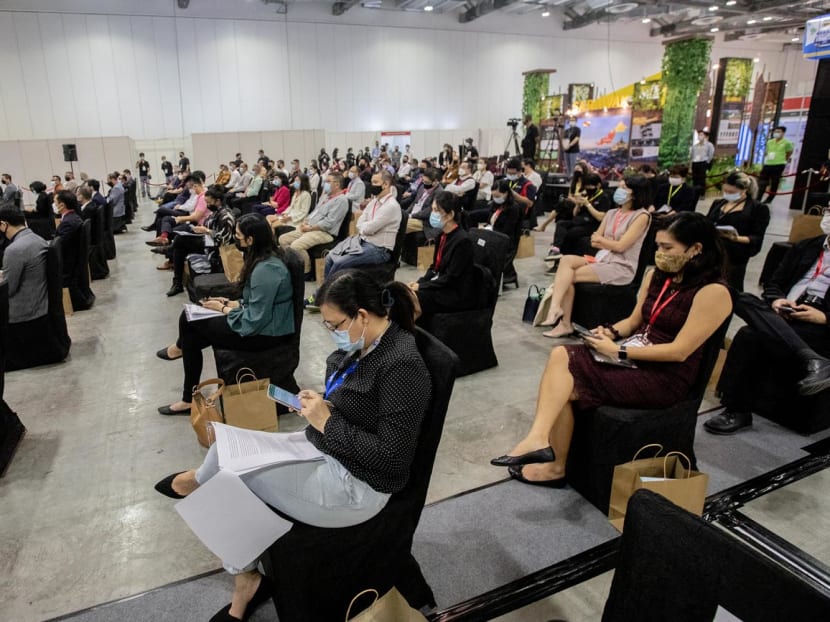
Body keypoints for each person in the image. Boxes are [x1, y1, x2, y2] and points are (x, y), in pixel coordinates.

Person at [153, 270, 429, 622]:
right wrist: (321, 406)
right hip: (328, 450)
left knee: (232, 478)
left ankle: (245, 582)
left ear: (361, 314)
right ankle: (199, 479)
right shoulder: (367, 345)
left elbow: (392, 460)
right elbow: (362, 407)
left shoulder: (401, 363)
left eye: (334, 325)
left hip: (358, 486)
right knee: (226, 446)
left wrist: (327, 421)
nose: (332, 333)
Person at [491, 212, 732, 486]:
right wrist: (611, 332)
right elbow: (633, 321)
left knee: (566, 378)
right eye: (657, 246)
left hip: (665, 376)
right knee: (561, 361)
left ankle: (550, 458)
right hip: (635, 356)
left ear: (696, 249)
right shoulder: (659, 276)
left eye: (667, 248)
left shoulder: (713, 292)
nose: (659, 254)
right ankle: (542, 443)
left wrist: (619, 352)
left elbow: (679, 351)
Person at [156, 214, 296, 415]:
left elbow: (254, 320)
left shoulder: (267, 270)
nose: (236, 240)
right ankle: (188, 393)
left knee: (190, 324)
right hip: (263, 323)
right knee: (191, 325)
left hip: (266, 334)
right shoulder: (263, 260)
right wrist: (229, 303)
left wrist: (223, 309)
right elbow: (257, 302)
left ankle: (186, 382)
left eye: (239, 236)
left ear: (251, 239)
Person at [703, 217, 830, 435]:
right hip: (787, 309)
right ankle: (812, 358)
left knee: (750, 335)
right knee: (738, 297)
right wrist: (777, 300)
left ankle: (737, 410)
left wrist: (825, 317)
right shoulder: (807, 246)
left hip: (820, 320)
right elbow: (774, 282)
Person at [539, 176, 652, 338]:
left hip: (621, 266)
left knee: (568, 277)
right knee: (566, 260)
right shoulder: (612, 213)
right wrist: (609, 242)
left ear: (635, 193)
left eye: (624, 188)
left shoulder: (642, 216)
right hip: (602, 258)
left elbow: (621, 247)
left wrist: (606, 241)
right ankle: (555, 309)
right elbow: (594, 239)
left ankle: (564, 322)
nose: (618, 191)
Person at [408, 191, 477, 317]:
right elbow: (434, 267)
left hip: (454, 292)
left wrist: (423, 287)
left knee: (413, 299)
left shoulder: (462, 241)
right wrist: (420, 282)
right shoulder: (442, 235)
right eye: (432, 209)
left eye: (436, 210)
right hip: (442, 284)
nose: (432, 214)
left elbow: (451, 278)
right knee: (408, 294)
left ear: (450, 214)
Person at [323, 170, 400, 279]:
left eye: (375, 182)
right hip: (362, 241)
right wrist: (365, 227)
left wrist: (365, 227)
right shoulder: (375, 201)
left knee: (339, 263)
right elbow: (360, 222)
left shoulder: (391, 206)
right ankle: (325, 293)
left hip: (379, 249)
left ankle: (322, 293)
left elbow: (369, 228)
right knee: (330, 257)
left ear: (386, 184)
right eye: (372, 182)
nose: (372, 185)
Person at [161, 185, 236, 296]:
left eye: (209, 202)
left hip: (217, 248)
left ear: (218, 201)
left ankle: (169, 251)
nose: (207, 205)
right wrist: (202, 230)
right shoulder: (215, 212)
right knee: (180, 244)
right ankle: (177, 282)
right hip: (208, 240)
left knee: (180, 241)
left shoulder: (226, 216)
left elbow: (224, 239)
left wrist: (206, 231)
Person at [705, 171, 769, 292]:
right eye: (726, 191)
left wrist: (735, 238)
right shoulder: (718, 204)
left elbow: (757, 237)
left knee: (730, 287)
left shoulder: (758, 209)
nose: (727, 194)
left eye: (731, 192)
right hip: (713, 250)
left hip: (735, 253)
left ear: (744, 190)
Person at [278, 172, 350, 275]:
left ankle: (306, 271)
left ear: (337, 184)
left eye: (327, 182)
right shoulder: (326, 197)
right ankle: (294, 264)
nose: (324, 184)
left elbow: (329, 223)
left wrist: (310, 228)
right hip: (311, 227)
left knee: (295, 246)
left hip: (324, 232)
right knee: (283, 239)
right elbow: (314, 213)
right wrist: (305, 222)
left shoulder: (341, 200)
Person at [545, 172, 611, 260]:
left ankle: (565, 255)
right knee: (561, 223)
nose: (588, 188)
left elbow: (600, 217)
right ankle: (556, 249)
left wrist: (588, 204)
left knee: (570, 233)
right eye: (586, 186)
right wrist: (578, 205)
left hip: (591, 225)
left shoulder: (604, 198)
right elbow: (574, 214)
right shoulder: (586, 195)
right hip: (579, 221)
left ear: (598, 185)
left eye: (590, 186)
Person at [0, 207, 49, 324]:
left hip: (22, 313)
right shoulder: (38, 239)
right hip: (40, 306)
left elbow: (9, 289)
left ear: (3, 224)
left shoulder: (14, 250)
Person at [267, 174, 312, 238]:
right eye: (295, 181)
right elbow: (291, 207)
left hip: (296, 220)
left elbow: (304, 212)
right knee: (268, 217)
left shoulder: (306, 195)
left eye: (297, 181)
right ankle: (271, 240)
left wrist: (290, 217)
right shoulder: (296, 193)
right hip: (289, 215)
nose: (295, 183)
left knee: (273, 225)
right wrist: (284, 213)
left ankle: (272, 243)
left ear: (303, 182)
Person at [757, 126, 794, 203]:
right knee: (762, 181)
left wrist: (784, 159)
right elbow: (767, 151)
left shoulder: (787, 143)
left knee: (774, 182)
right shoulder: (769, 142)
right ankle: (758, 198)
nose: (776, 133)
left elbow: (789, 152)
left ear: (783, 133)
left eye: (779, 132)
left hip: (779, 164)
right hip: (768, 163)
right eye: (775, 131)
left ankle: (770, 199)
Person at [53, 190, 84, 281]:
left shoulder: (68, 222)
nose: (53, 205)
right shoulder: (73, 217)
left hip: (68, 265)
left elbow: (59, 246)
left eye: (55, 202)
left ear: (62, 205)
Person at [405, 168, 441, 235]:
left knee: (402, 225)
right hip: (413, 214)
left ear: (435, 182)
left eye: (427, 182)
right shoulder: (422, 187)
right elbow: (414, 202)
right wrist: (406, 213)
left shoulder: (439, 193)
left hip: (423, 220)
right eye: (423, 181)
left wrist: (412, 215)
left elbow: (429, 211)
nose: (424, 184)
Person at [690, 129, 714, 201]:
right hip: (695, 163)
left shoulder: (709, 145)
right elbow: (692, 155)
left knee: (702, 179)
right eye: (699, 135)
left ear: (705, 136)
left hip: (703, 162)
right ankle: (694, 193)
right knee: (695, 179)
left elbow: (710, 155)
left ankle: (702, 194)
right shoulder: (695, 146)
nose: (700, 136)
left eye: (701, 135)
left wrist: (707, 163)